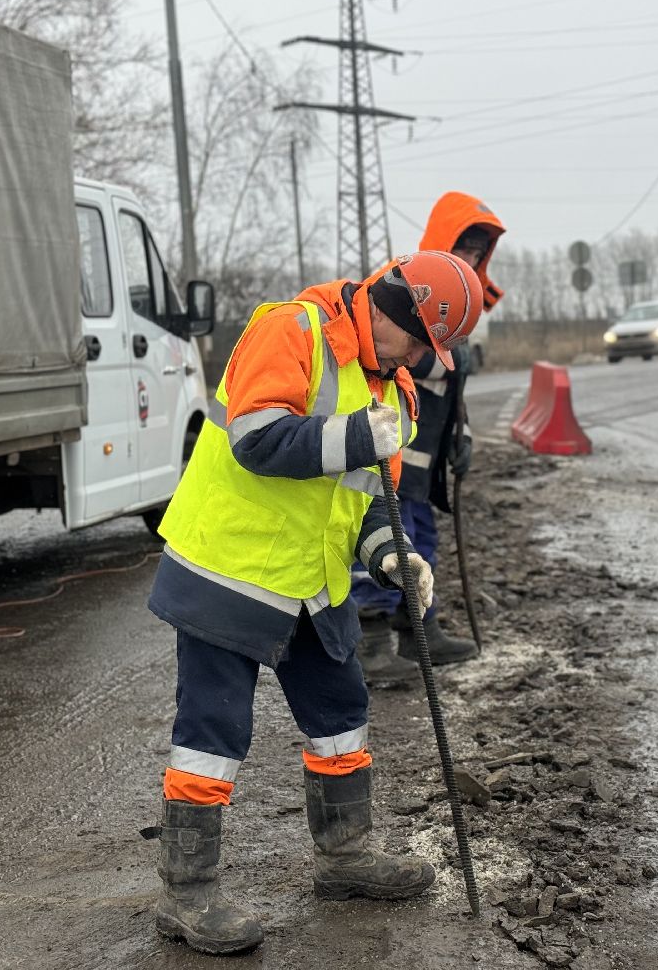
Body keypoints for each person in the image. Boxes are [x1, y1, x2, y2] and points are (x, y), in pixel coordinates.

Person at [145, 252, 484, 955]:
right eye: (419, 341)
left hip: (312, 580)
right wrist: (357, 435)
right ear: (394, 311)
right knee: (214, 729)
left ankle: (345, 855)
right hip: (230, 571)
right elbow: (257, 439)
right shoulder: (291, 331)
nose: (421, 358)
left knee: (341, 713)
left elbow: (365, 503)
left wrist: (393, 555)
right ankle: (188, 892)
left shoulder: (393, 392)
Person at [353, 192, 507, 684]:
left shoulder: (466, 300)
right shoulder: (411, 293)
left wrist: (462, 437)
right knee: (389, 534)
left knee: (422, 537)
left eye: (479, 252)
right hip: (393, 445)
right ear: (445, 241)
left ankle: (419, 629)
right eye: (465, 246)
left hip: (426, 451)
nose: (471, 259)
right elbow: (403, 361)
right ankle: (372, 639)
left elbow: (453, 387)